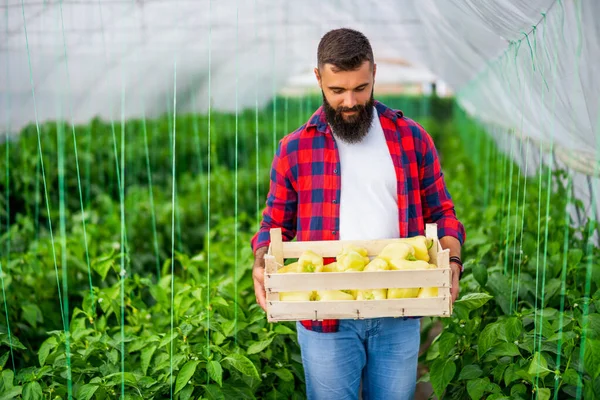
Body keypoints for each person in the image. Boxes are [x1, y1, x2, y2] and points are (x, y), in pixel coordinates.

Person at [250, 28, 466, 400]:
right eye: (337, 91)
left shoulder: (411, 139)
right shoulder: (295, 149)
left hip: (399, 306)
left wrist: (454, 261)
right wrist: (260, 263)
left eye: (360, 88)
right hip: (325, 313)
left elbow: (443, 211)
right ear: (319, 78)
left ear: (374, 74)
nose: (350, 101)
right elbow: (275, 225)